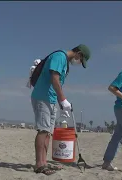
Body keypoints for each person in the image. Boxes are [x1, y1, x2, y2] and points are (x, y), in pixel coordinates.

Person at [30, 44, 91, 175]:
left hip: (51, 99)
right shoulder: (59, 57)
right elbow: (54, 78)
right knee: (43, 130)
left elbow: (58, 85)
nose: (79, 63)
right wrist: (63, 99)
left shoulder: (65, 63)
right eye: (81, 60)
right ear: (78, 53)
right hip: (42, 97)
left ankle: (44, 162)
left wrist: (62, 103)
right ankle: (39, 164)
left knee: (48, 132)